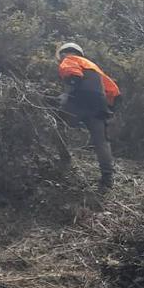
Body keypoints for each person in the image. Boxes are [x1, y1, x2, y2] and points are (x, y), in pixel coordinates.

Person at [55, 42, 120, 190]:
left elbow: (74, 76)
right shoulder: (94, 67)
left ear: (64, 53)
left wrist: (67, 94)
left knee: (57, 124)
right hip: (99, 105)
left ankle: (64, 160)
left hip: (78, 101)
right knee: (101, 142)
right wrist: (108, 108)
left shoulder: (69, 59)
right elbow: (113, 91)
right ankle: (107, 178)